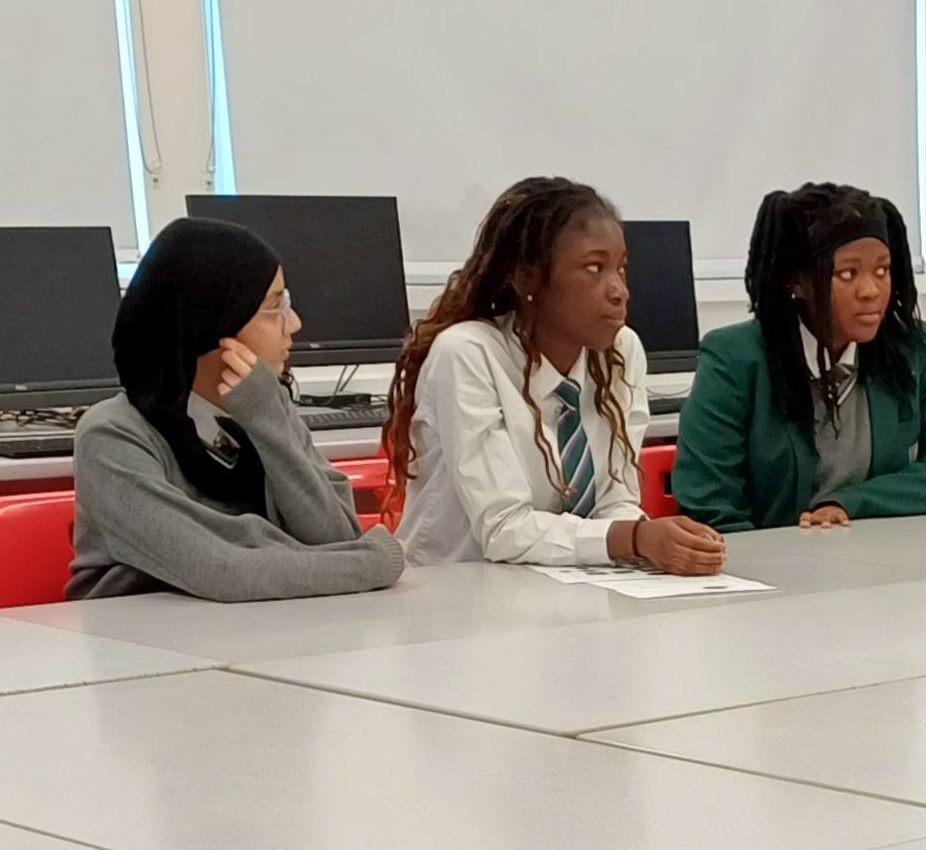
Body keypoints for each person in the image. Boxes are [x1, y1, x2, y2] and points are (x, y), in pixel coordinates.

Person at [386, 176, 726, 575]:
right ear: (528, 277)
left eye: (621, 268)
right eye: (594, 268)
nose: (619, 290)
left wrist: (657, 541)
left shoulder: (620, 351)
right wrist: (634, 538)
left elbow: (616, 501)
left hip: (563, 583)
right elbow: (504, 528)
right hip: (454, 588)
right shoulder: (468, 354)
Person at [67, 217, 405, 601]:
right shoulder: (112, 434)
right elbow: (222, 569)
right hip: (139, 636)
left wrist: (269, 424)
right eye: (274, 307)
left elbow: (337, 537)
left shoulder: (265, 407)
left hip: (261, 628)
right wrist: (376, 561)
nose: (294, 323)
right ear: (213, 322)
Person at [673, 182, 926, 532]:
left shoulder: (910, 348)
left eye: (882, 271)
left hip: (886, 556)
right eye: (847, 274)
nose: (871, 291)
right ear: (797, 282)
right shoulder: (734, 359)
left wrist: (850, 503)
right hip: (773, 561)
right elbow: (711, 508)